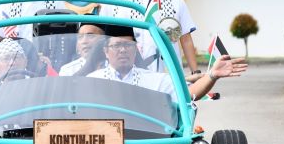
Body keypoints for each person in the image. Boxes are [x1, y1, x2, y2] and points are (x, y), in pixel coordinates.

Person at [89, 25, 245, 100]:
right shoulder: (92, 81)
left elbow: (189, 94)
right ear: (106, 51)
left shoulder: (155, 80)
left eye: (128, 45)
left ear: (135, 50)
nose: (122, 50)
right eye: (117, 46)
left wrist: (212, 75)